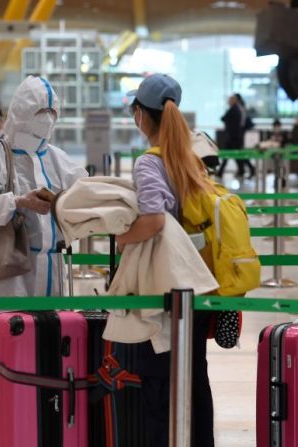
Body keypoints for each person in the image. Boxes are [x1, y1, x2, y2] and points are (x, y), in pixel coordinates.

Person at [0, 76, 87, 446]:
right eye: (38, 112)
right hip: (4, 275)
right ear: (20, 113)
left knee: (46, 354)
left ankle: (36, 430)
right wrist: (16, 201)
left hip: (51, 273)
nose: (45, 121)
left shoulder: (57, 158)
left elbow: (82, 196)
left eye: (51, 112)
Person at [121, 73, 216, 446]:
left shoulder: (149, 162)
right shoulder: (193, 158)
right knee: (194, 379)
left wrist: (122, 237)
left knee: (159, 382)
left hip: (165, 292)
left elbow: (154, 219)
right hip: (199, 284)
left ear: (141, 115)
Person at [216, 93, 255, 180]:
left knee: (236, 155)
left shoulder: (234, 109)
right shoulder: (238, 109)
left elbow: (224, 118)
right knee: (235, 155)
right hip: (235, 137)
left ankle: (250, 169)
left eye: (230, 99)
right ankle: (241, 170)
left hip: (233, 137)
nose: (228, 101)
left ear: (234, 100)